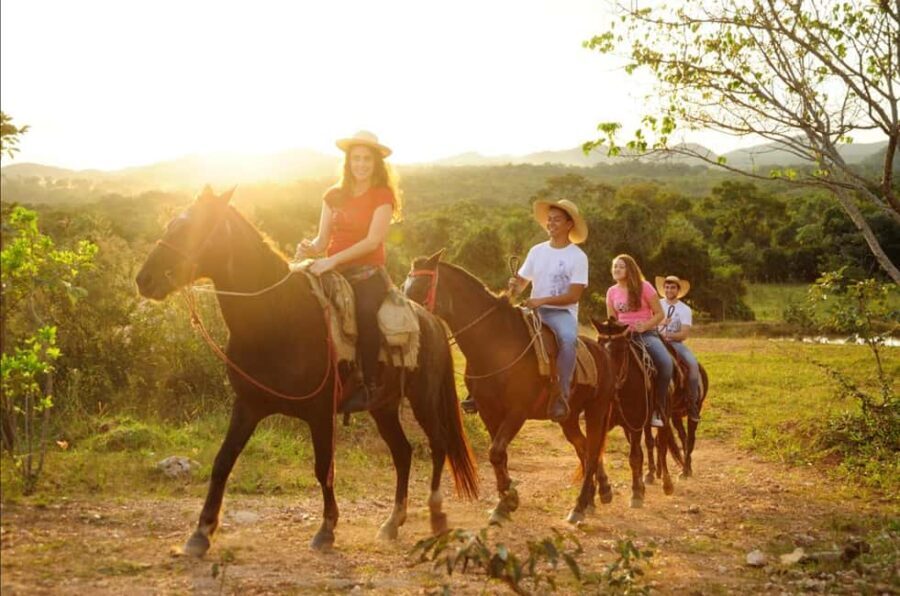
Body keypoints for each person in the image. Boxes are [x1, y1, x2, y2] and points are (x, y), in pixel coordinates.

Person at [295, 130, 401, 413]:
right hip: (334, 271)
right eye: (356, 158)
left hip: (368, 273)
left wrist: (331, 261)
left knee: (365, 311)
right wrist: (309, 248)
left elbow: (373, 241)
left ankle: (369, 384)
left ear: (376, 163)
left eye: (367, 159)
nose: (361, 164)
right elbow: (322, 241)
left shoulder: (382, 195)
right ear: (348, 161)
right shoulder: (333, 195)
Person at [509, 199, 589, 422]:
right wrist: (514, 286)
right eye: (549, 219)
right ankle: (481, 388)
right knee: (501, 330)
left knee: (568, 340)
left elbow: (574, 296)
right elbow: (522, 283)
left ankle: (561, 395)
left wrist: (541, 301)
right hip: (534, 310)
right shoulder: (537, 251)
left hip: (561, 313)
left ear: (569, 224)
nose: (551, 223)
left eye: (557, 220)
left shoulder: (578, 257)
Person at [605, 255, 672, 428]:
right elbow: (612, 319)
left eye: (621, 266)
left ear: (630, 269)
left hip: (646, 335)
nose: (617, 269)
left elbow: (660, 314)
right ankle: (602, 405)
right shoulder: (611, 292)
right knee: (601, 362)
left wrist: (646, 325)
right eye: (615, 266)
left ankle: (658, 408)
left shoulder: (645, 287)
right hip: (622, 337)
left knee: (665, 363)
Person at [657, 275, 701, 422]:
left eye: (672, 287)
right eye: (667, 287)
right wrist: (660, 325)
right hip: (656, 341)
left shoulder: (685, 309)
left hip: (675, 343)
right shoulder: (656, 304)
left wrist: (667, 335)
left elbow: (684, 334)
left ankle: (692, 404)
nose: (669, 290)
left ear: (678, 290)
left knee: (692, 365)